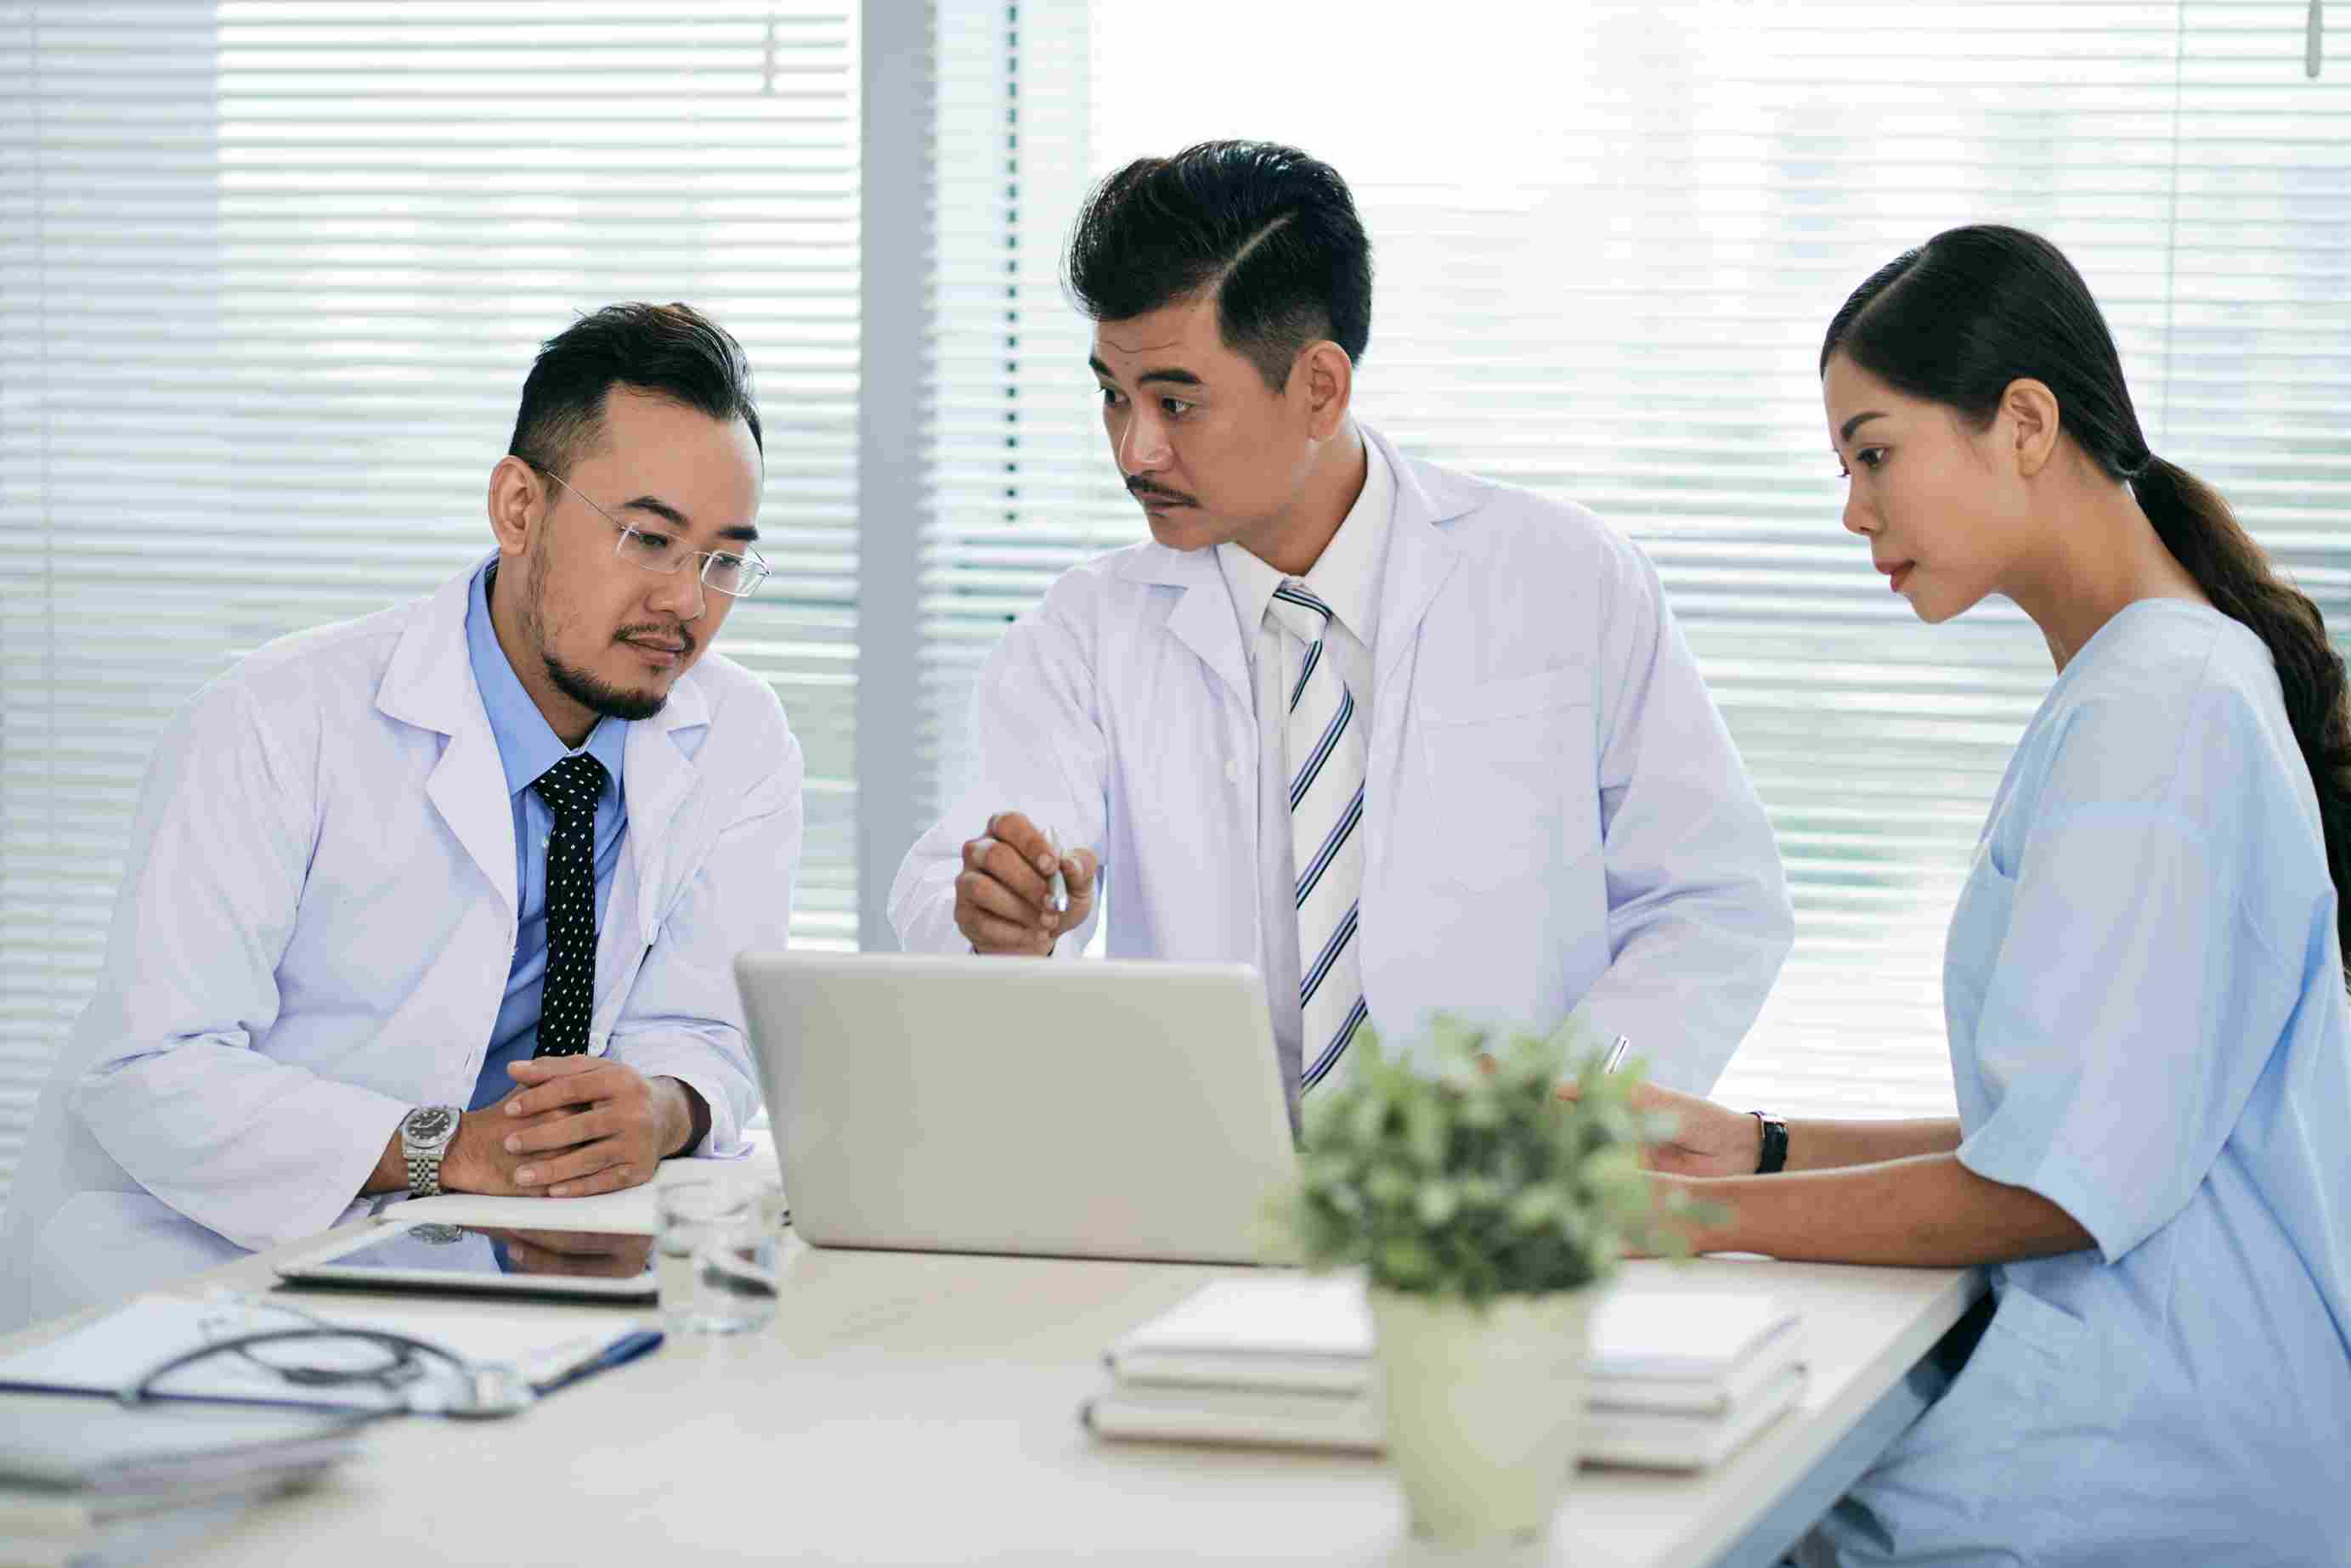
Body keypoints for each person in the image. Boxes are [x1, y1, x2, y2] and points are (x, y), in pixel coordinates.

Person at [1622, 226, 2351, 1564]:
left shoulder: (2158, 712)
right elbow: (2086, 1124)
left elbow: (2055, 1186)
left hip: (2150, 1467)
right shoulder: (2153, 683)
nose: (1852, 511)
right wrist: (1759, 1147)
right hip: (2152, 1432)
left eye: (1872, 453)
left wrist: (1671, 1218)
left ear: (2022, 421)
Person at [890, 141, 1791, 1102]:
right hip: (1203, 1168)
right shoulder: (1083, 632)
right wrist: (1007, 925)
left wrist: (1576, 1111)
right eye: (1113, 396)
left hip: (1502, 1176)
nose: (1134, 449)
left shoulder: (1565, 577)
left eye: (1176, 403)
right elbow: (962, 881)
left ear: (1319, 388)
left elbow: (1709, 898)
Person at [0, 302, 804, 1330]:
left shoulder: (738, 734)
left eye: (723, 560)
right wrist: (447, 1148)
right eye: (649, 539)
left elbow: (708, 1027)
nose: (687, 602)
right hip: (201, 1272)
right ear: (518, 507)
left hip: (510, 1269)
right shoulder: (276, 717)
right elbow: (149, 1068)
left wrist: (662, 1106)